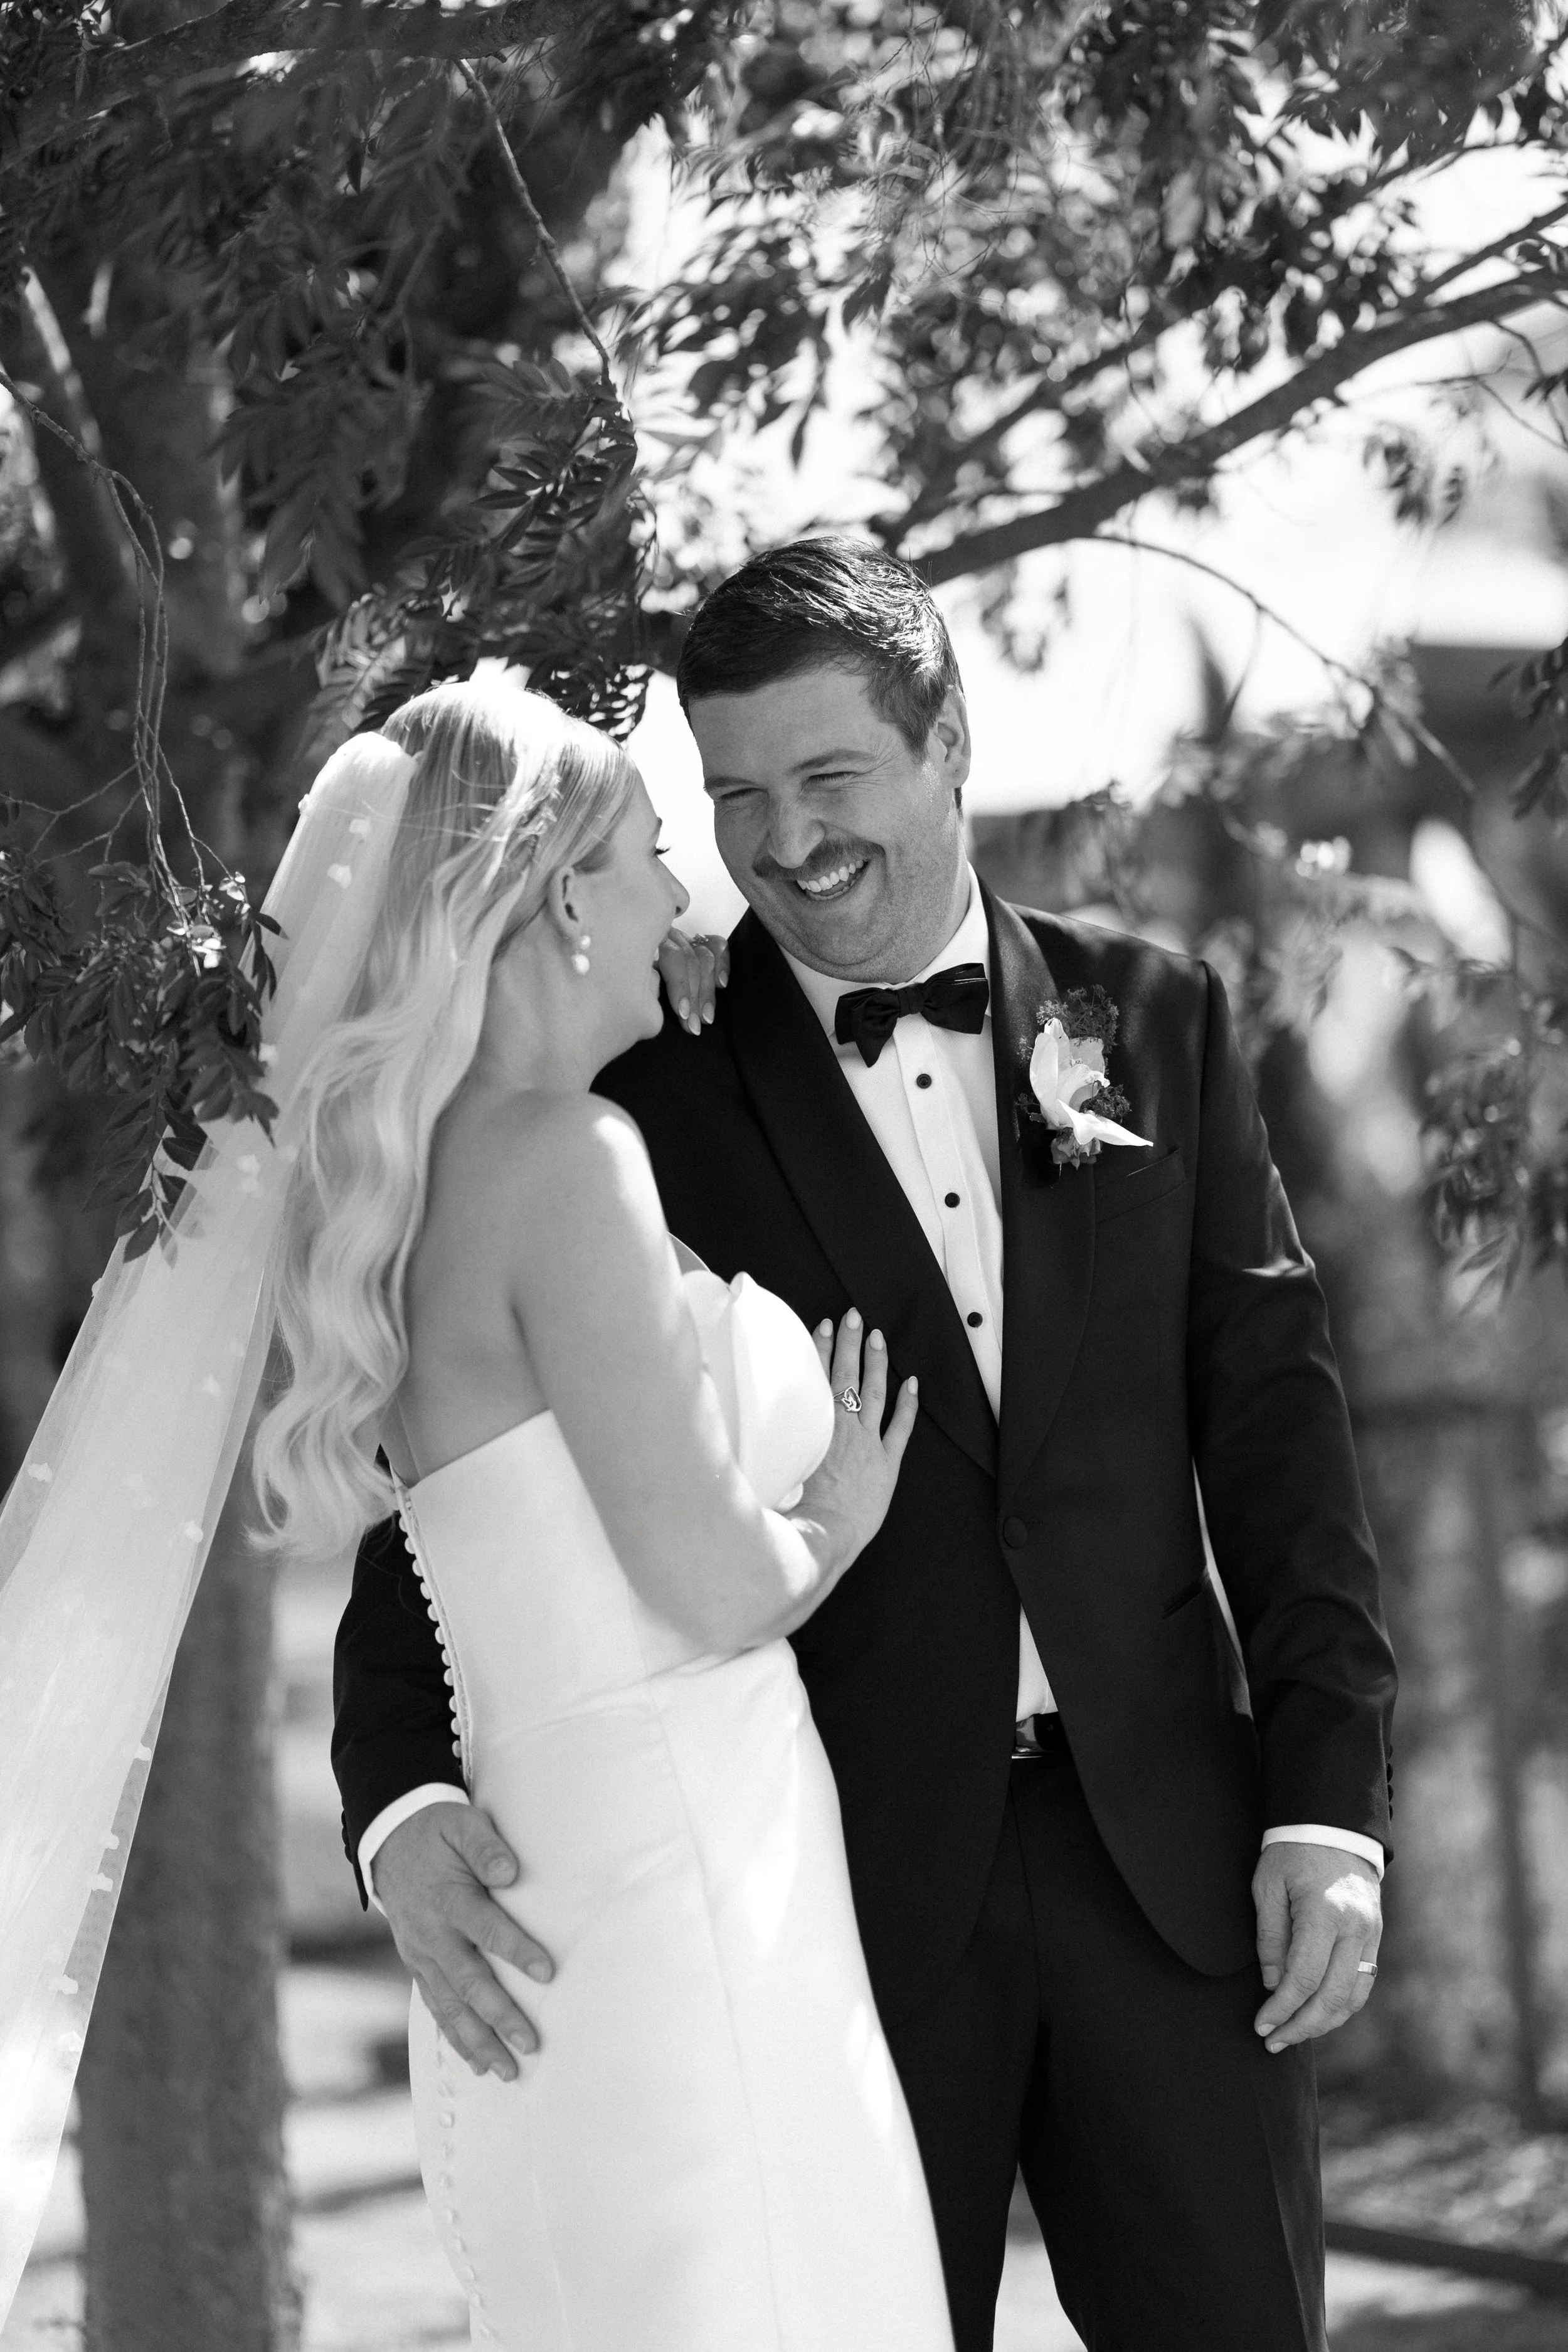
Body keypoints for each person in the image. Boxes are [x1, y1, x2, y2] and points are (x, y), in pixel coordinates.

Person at [334, 540, 1398, 2352]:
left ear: (948, 739)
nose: (785, 843)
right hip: (833, 1884)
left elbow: (1275, 1424)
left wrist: (1323, 1801)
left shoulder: (1152, 1016)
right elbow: (457, 1483)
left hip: (1171, 1866)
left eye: (831, 778)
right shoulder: (636, 1092)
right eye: (737, 795)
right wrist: (402, 1795)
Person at [251, 676, 955, 2351]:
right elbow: (712, 1585)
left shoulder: (411, 1189)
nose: (682, 896)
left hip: (565, 1873)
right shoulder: (568, 1160)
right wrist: (840, 1512)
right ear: (563, 892)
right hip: (686, 1883)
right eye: (650, 851)